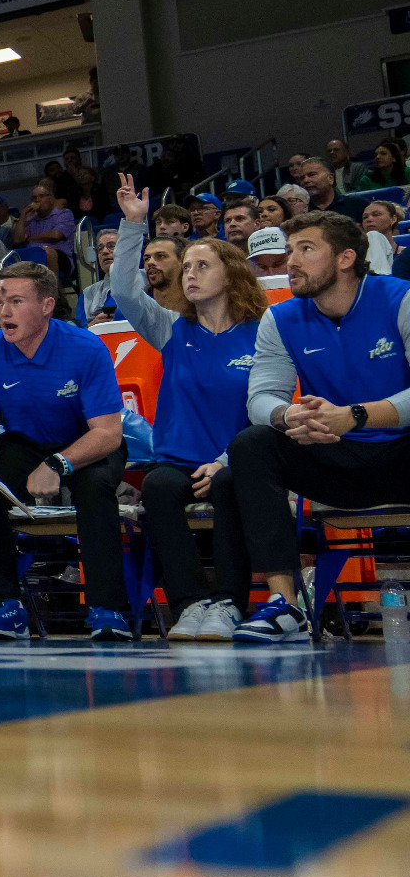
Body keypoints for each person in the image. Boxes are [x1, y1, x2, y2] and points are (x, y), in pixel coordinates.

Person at [223, 211, 410, 642]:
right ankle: (285, 605)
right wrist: (291, 416)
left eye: (306, 249)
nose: (291, 261)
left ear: (346, 258)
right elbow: (260, 398)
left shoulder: (400, 298)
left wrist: (355, 415)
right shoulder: (280, 318)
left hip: (400, 451)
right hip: (334, 454)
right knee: (252, 444)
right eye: (290, 250)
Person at [109, 174, 264, 640]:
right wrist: (132, 226)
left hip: (234, 461)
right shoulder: (172, 328)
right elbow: (124, 291)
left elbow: (266, 408)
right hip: (178, 460)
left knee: (232, 485)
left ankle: (229, 603)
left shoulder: (263, 332)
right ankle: (190, 603)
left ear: (231, 274)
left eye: (202, 266)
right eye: (187, 267)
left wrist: (225, 461)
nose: (189, 274)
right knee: (158, 486)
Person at [0, 262, 129, 641]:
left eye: (16, 301)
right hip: (26, 441)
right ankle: (4, 605)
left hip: (87, 441)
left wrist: (58, 464)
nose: (4, 311)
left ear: (47, 306)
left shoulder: (85, 347)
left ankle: (107, 608)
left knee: (95, 487)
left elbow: (109, 434)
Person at [13, 180, 76, 273]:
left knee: (47, 252)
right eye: (34, 197)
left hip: (60, 258)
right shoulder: (31, 220)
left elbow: (56, 235)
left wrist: (31, 239)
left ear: (51, 199)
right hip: (33, 259)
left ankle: (52, 282)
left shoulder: (64, 214)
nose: (37, 200)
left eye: (41, 196)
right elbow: (18, 240)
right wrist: (23, 215)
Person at [296, 156, 366, 220]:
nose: (306, 180)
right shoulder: (300, 211)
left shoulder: (357, 205)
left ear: (330, 178)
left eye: (312, 175)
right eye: (302, 178)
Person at [78, 228, 118, 326]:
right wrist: (93, 325)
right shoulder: (87, 294)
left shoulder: (144, 281)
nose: (104, 251)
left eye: (111, 246)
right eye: (100, 248)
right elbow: (78, 330)